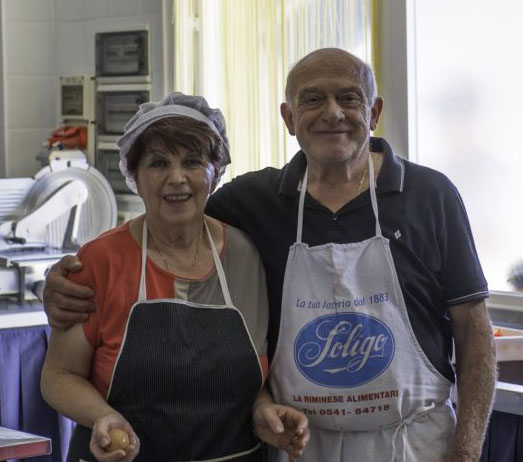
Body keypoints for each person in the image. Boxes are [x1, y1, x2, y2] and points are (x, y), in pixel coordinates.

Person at [44, 49, 496, 461]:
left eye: (349, 98)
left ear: (374, 112)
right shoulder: (255, 202)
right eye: (313, 99)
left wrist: (468, 450)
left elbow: (474, 333)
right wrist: (62, 279)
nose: (332, 113)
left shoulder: (430, 196)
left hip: (413, 444)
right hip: (302, 444)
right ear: (288, 116)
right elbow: (166, 225)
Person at [40, 93, 309, 462]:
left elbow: (252, 374)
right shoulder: (99, 260)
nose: (176, 178)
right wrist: (102, 416)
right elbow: (58, 375)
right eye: (158, 163)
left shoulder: (246, 256)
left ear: (215, 174)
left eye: (193, 162)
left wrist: (262, 409)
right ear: (134, 175)